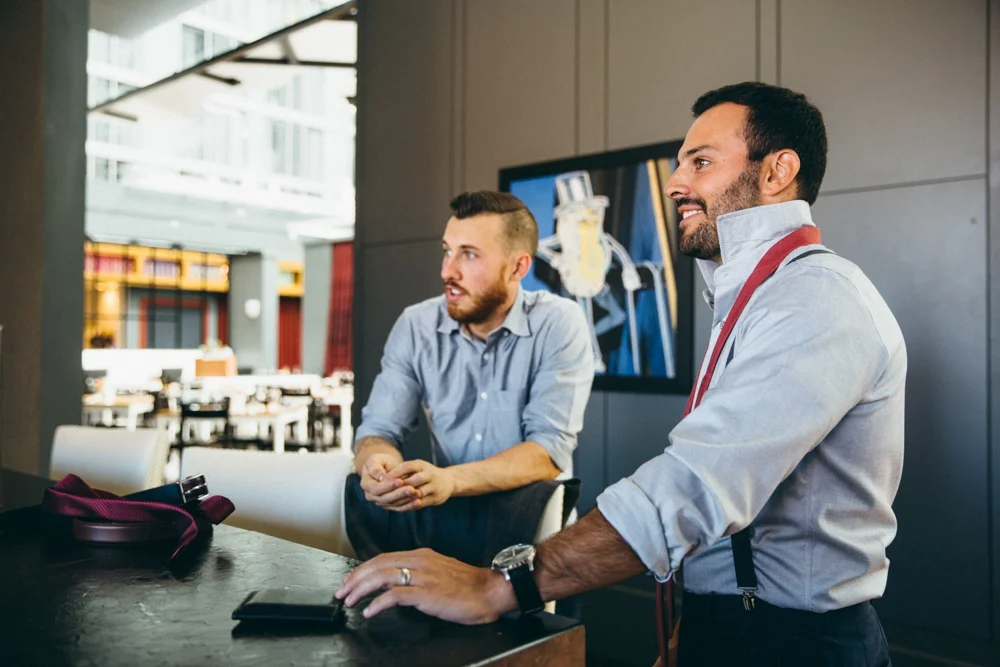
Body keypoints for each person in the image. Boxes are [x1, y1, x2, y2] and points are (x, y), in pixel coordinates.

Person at [337, 82, 905, 667]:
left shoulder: (813, 300)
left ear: (778, 170)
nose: (675, 183)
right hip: (732, 623)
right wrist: (691, 630)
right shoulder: (753, 297)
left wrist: (498, 586)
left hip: (796, 644)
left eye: (701, 162)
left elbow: (697, 486)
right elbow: (737, 516)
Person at [346, 190, 594, 566]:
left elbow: (547, 452)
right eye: (448, 251)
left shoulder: (559, 323)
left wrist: (449, 481)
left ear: (518, 267)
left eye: (470, 254)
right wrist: (377, 466)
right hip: (446, 525)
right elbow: (379, 429)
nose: (448, 271)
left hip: (536, 540)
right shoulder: (416, 326)